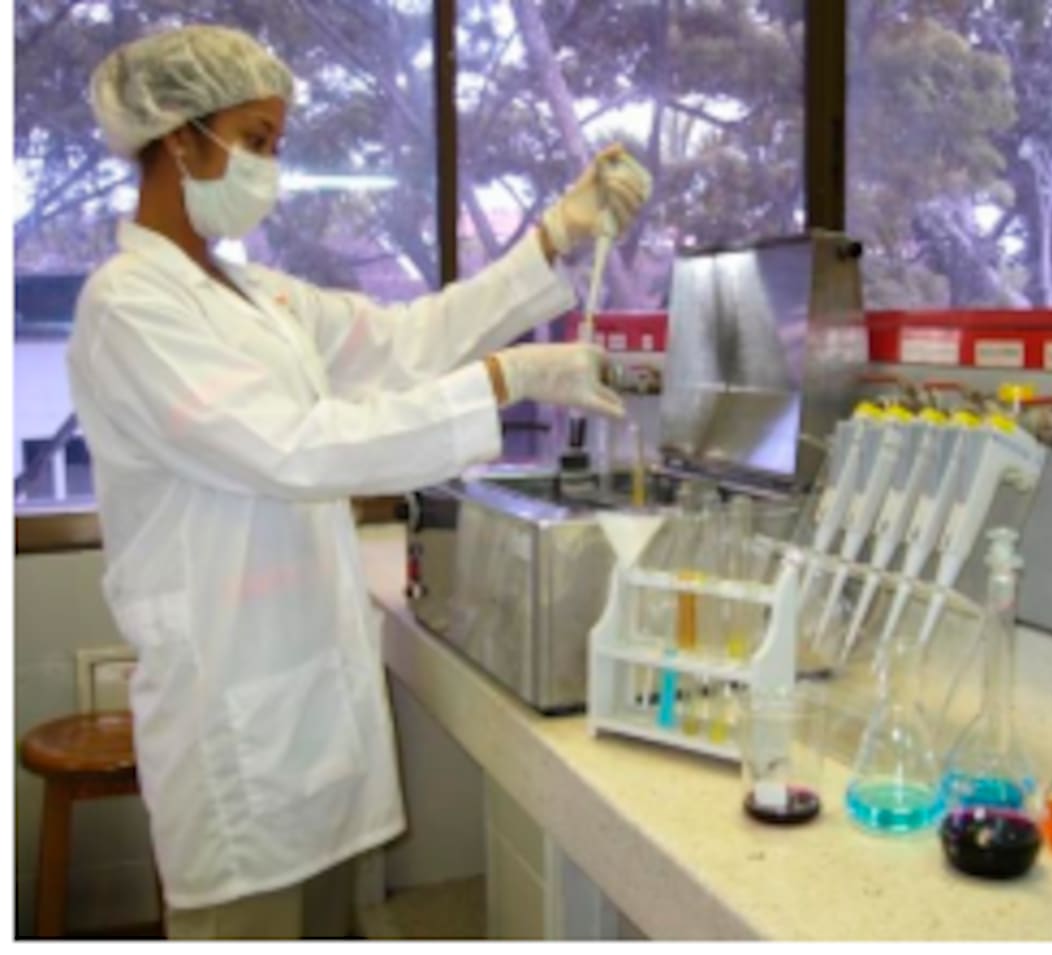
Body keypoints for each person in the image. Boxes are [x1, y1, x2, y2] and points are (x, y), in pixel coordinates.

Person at [67, 24, 649, 940]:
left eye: (275, 144)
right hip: (231, 730)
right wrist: (508, 380)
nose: (269, 167)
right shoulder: (129, 306)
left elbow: (407, 340)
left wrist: (553, 236)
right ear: (178, 138)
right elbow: (295, 449)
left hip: (306, 709)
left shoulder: (255, 294)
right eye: (254, 140)